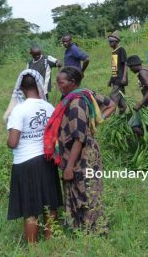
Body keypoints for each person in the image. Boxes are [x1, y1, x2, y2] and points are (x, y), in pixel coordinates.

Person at [44, 66, 115, 232]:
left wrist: (69, 167)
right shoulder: (84, 93)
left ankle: (94, 230)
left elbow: (79, 138)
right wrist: (93, 122)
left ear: (72, 82)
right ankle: (82, 228)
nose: (58, 86)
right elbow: (110, 104)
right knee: (81, 188)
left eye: (60, 83)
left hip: (81, 156)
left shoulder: (76, 103)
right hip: (81, 152)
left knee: (85, 190)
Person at [6, 70, 62, 244]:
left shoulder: (19, 110)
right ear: (39, 86)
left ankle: (33, 247)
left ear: (21, 88)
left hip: (26, 163)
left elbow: (13, 142)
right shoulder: (48, 107)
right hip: (47, 160)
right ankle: (50, 240)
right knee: (50, 203)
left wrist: (8, 141)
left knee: (30, 208)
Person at [107, 31, 128, 113]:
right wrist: (111, 79)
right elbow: (115, 67)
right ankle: (123, 114)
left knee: (113, 97)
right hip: (115, 78)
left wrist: (124, 77)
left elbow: (125, 63)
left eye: (111, 42)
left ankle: (111, 115)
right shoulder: (113, 52)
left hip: (119, 78)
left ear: (116, 42)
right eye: (109, 42)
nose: (109, 43)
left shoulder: (121, 50)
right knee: (121, 98)